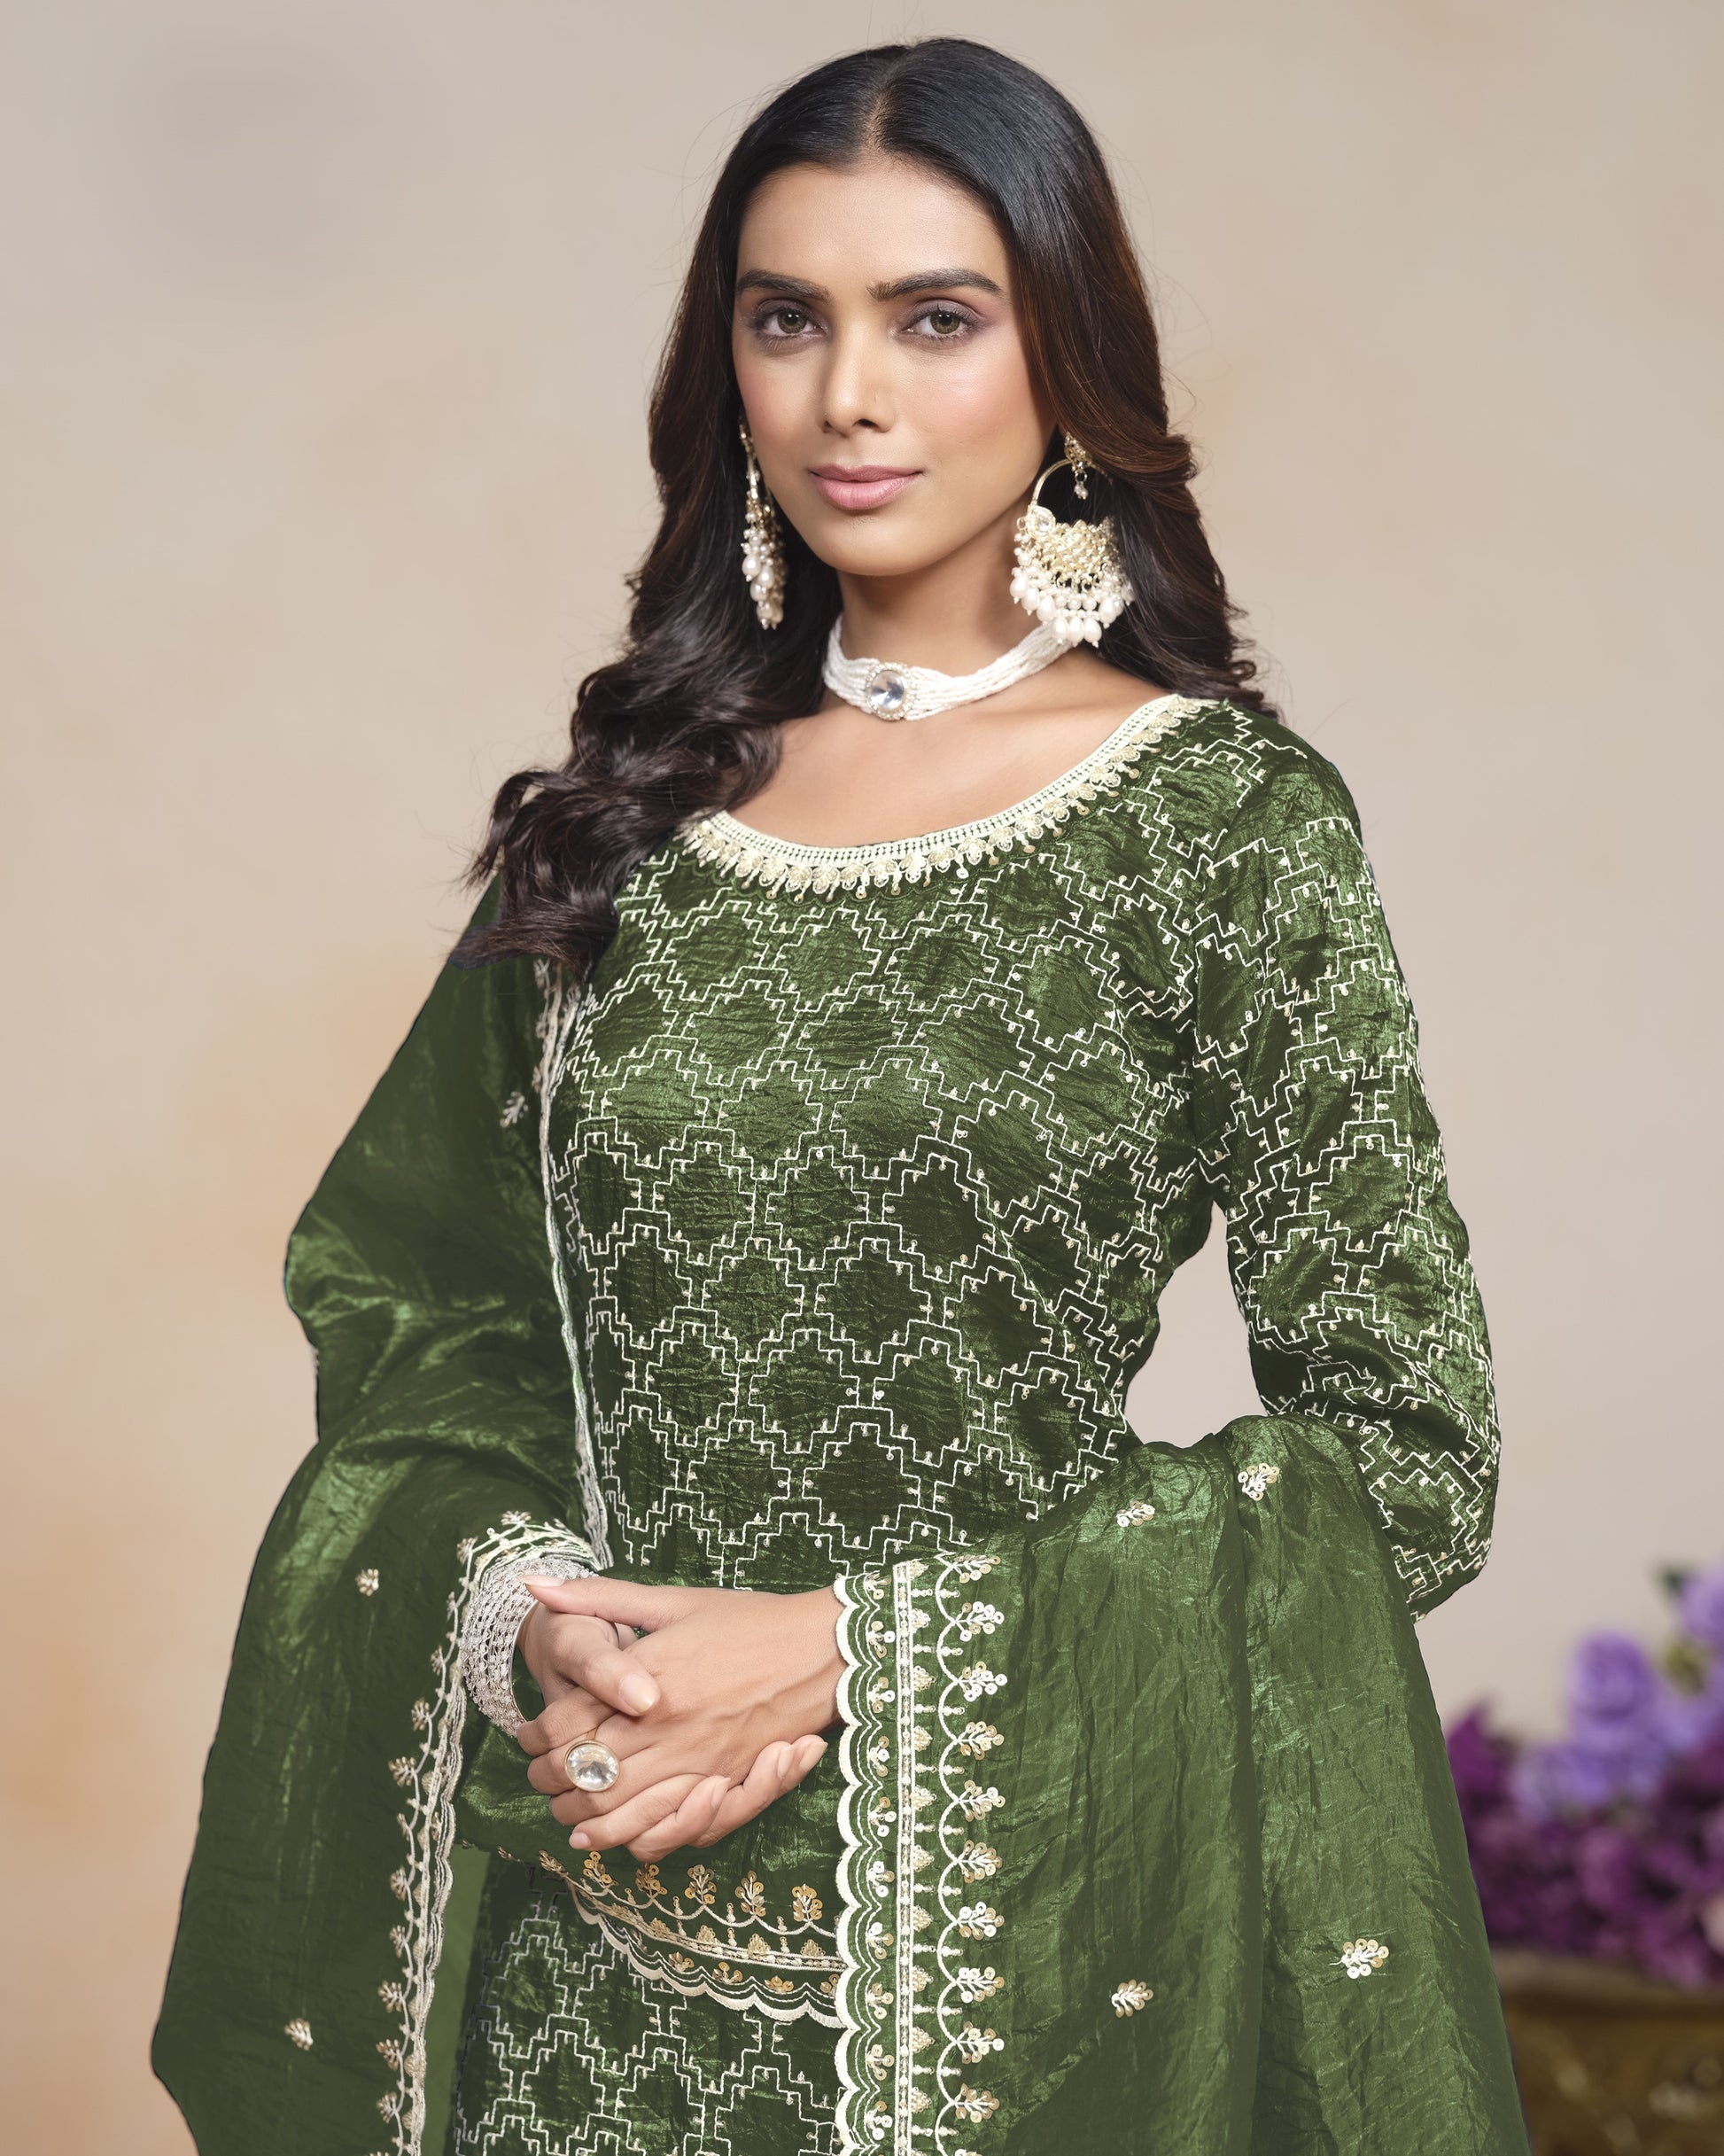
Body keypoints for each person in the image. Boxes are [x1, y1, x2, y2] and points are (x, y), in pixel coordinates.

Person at [156, 37, 1529, 2156]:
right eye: (785, 317)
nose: (845, 395)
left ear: (1067, 358)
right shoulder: (631, 815)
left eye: (935, 318)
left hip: (1022, 1994)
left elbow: (1404, 1447)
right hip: (579, 1965)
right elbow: (418, 1297)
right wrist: (540, 1611)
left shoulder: (1219, 830)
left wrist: (835, 1656)